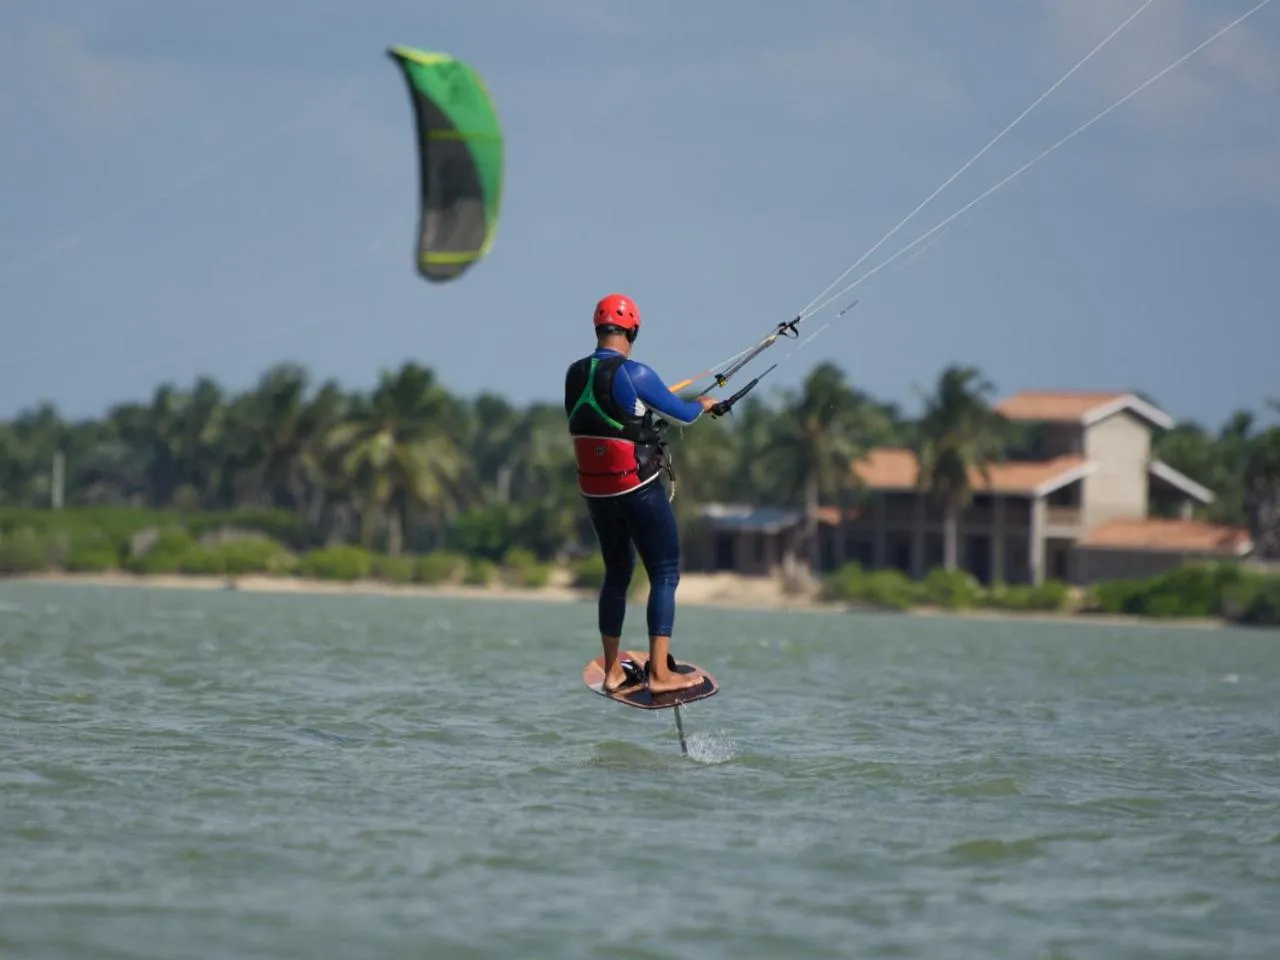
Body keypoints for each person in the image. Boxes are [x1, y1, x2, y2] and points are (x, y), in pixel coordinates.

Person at [564, 293, 717, 695]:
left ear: (597, 330)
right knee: (665, 572)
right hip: (636, 489)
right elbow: (682, 414)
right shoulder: (637, 373)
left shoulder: (574, 374)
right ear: (632, 330)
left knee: (617, 573)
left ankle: (613, 670)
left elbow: (609, 417)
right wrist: (702, 403)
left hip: (594, 493)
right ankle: (661, 675)